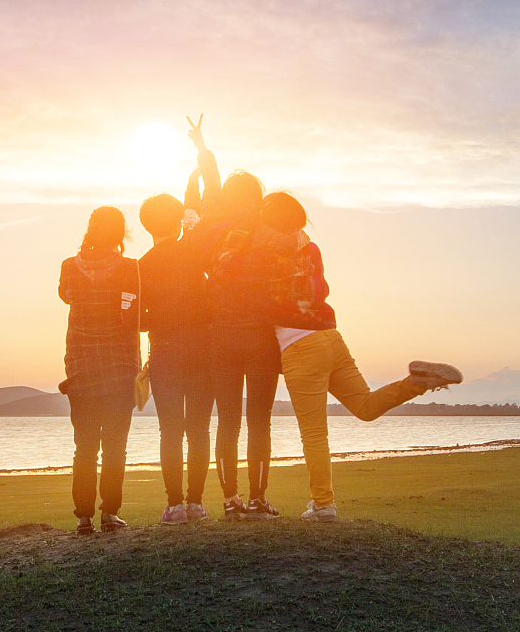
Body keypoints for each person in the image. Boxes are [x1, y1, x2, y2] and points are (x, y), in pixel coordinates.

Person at [252, 189, 462, 520]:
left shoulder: (261, 253)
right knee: (364, 406)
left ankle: (323, 504)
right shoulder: (311, 249)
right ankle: (417, 383)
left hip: (299, 347)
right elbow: (322, 290)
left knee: (314, 434)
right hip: (330, 338)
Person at [184, 122, 281, 519]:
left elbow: (211, 183)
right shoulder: (263, 229)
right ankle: (258, 499)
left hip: (220, 336)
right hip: (259, 335)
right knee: (259, 421)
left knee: (227, 422)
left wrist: (202, 148)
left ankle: (230, 500)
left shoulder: (209, 230)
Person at [57, 204, 140, 534]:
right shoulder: (130, 268)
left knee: (85, 447)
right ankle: (109, 513)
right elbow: (131, 314)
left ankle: (83, 517)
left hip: (80, 368)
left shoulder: (69, 267)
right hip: (120, 368)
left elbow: (65, 296)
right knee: (115, 445)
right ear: (121, 233)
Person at [136, 185, 215, 522]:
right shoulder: (194, 250)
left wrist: (162, 316)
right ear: (178, 222)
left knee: (169, 430)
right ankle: (196, 503)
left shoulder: (142, 265)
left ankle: (175, 506)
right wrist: (195, 177)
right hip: (202, 349)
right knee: (198, 429)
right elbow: (195, 214)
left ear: (148, 227)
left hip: (165, 352)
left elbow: (138, 319)